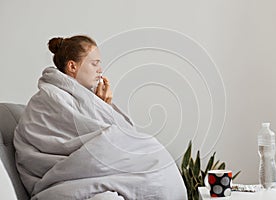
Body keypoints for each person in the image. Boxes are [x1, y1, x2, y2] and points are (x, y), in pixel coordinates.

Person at [14, 35, 187, 200]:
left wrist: (103, 104)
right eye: (94, 64)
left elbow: (103, 131)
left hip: (84, 168)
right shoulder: (52, 97)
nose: (100, 70)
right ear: (72, 67)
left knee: (153, 157)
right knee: (152, 162)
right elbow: (103, 137)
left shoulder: (80, 96)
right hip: (60, 175)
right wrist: (103, 107)